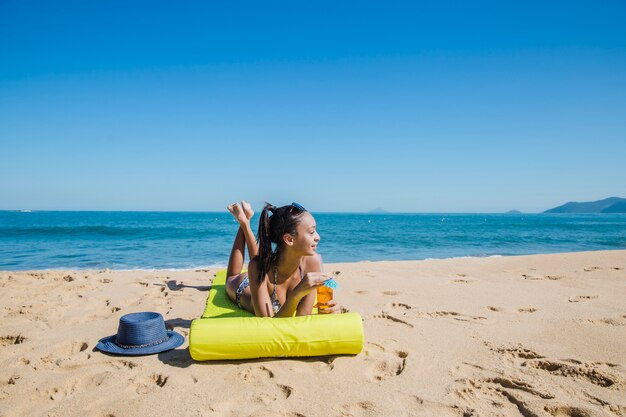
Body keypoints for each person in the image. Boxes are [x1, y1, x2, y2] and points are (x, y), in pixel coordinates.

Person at [224, 201, 340, 317]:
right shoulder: (256, 268)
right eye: (312, 232)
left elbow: (303, 317)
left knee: (260, 261)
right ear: (289, 239)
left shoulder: (313, 261)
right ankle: (243, 222)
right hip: (246, 285)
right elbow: (269, 324)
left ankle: (245, 220)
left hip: (265, 274)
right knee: (232, 277)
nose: (318, 237)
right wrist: (297, 294)